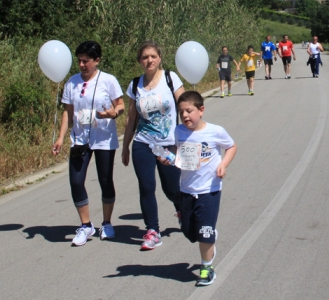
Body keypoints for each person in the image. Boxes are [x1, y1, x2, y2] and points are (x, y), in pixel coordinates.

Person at [53, 41, 125, 246]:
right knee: (76, 181)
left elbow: (120, 105)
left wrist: (113, 113)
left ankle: (107, 223)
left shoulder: (108, 80)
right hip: (80, 139)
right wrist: (60, 138)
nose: (82, 65)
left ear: (97, 60)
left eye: (86, 61)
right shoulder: (71, 83)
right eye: (80, 61)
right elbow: (68, 113)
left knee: (105, 180)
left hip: (103, 138)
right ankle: (86, 225)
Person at [162, 91, 237, 286]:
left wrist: (223, 165)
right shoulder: (178, 131)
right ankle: (209, 235)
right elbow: (175, 151)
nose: (185, 115)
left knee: (204, 232)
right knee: (189, 233)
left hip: (209, 189)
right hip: (186, 189)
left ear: (201, 110)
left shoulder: (215, 131)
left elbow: (231, 146)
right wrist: (168, 158)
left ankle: (206, 268)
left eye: (189, 111)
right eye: (181, 112)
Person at [122, 40, 185, 250]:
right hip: (143, 143)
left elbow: (185, 107)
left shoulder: (170, 78)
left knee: (172, 189)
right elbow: (131, 119)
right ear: (140, 61)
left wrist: (190, 137)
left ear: (159, 58)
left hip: (168, 144)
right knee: (146, 187)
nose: (149, 60)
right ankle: (153, 231)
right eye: (145, 57)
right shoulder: (134, 84)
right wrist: (125, 147)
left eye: (153, 56)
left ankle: (181, 208)